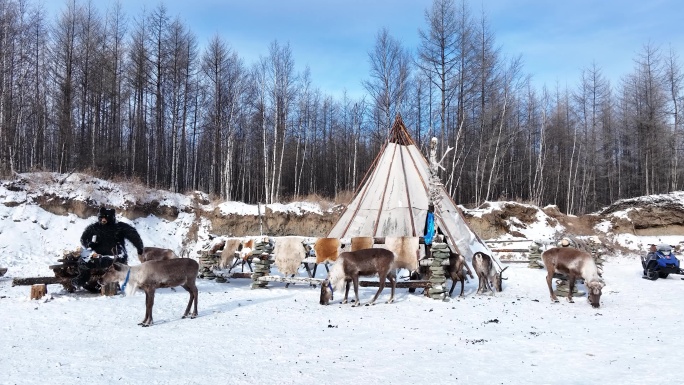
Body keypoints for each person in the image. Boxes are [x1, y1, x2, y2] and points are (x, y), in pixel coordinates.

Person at [73, 207, 144, 289]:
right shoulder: (94, 228)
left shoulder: (119, 227)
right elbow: (83, 239)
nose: (103, 219)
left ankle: (122, 282)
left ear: (112, 217)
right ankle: (83, 278)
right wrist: (90, 244)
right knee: (82, 262)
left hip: (115, 257)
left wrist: (139, 248)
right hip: (98, 256)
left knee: (117, 267)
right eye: (102, 217)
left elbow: (134, 236)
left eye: (106, 217)